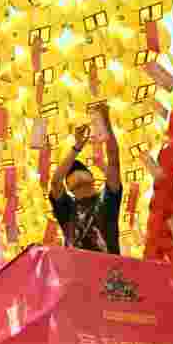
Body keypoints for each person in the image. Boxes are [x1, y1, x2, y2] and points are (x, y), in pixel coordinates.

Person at [48, 103, 123, 255]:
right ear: (68, 186)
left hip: (110, 274)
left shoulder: (108, 198)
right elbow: (55, 181)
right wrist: (77, 146)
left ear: (92, 177)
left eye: (81, 170)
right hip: (76, 275)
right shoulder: (66, 208)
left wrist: (104, 122)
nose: (77, 173)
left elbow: (114, 159)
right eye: (71, 174)